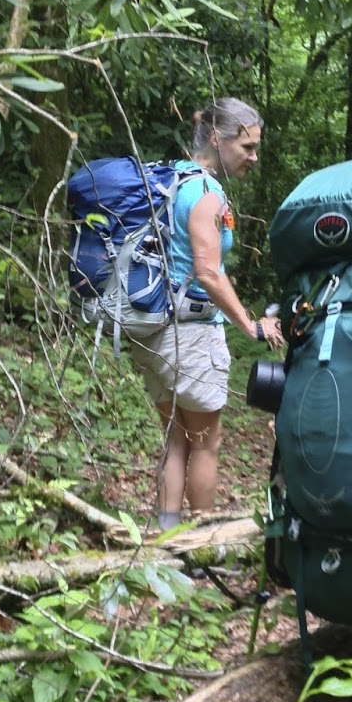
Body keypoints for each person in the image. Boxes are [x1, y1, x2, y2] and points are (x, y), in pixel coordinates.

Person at [129, 98, 284, 532]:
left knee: (175, 440)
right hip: (191, 334)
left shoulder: (171, 179)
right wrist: (250, 325)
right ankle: (200, 544)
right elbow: (209, 273)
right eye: (247, 146)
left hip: (154, 328)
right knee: (206, 444)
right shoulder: (206, 192)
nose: (253, 157)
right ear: (217, 138)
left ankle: (166, 538)